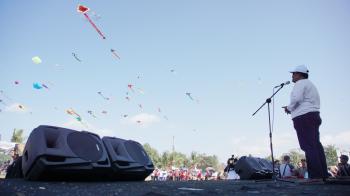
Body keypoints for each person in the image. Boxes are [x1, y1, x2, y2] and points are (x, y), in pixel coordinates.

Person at [283, 64, 328, 180]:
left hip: (304, 117)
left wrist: (289, 108)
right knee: (315, 145)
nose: (292, 76)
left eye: (294, 73)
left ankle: (316, 176)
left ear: (299, 74)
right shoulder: (310, 84)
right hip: (312, 115)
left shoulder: (300, 83)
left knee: (308, 146)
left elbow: (297, 99)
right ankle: (323, 175)